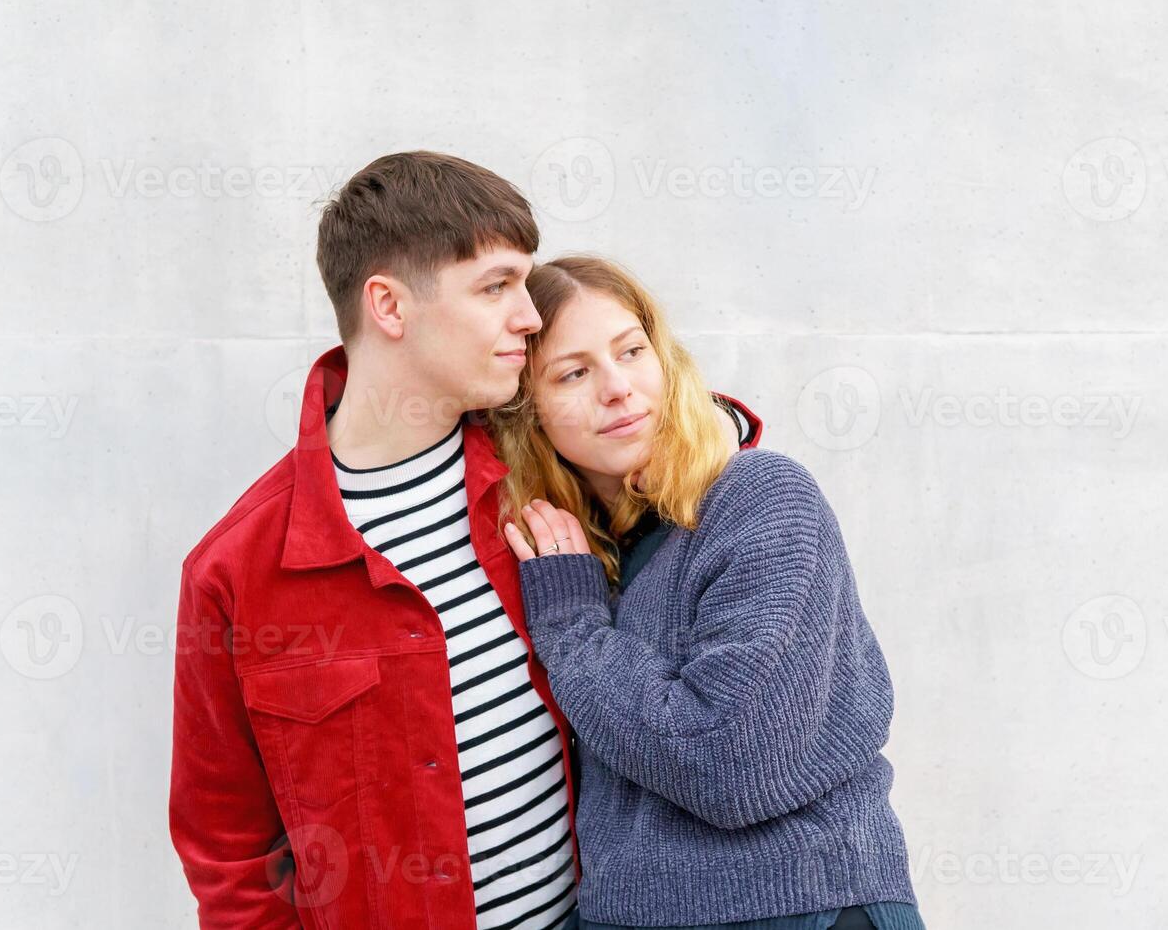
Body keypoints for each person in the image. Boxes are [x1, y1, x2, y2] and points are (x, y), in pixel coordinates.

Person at [167, 152, 765, 928]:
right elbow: (231, 858)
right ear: (388, 305)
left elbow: (689, 467)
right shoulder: (238, 571)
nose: (529, 315)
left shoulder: (547, 478)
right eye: (495, 287)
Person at [492, 256, 924, 930]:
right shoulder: (584, 556)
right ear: (530, 416)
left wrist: (573, 625)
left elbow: (728, 762)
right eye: (573, 373)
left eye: (632, 351)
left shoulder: (761, 498)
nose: (618, 389)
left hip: (799, 908)